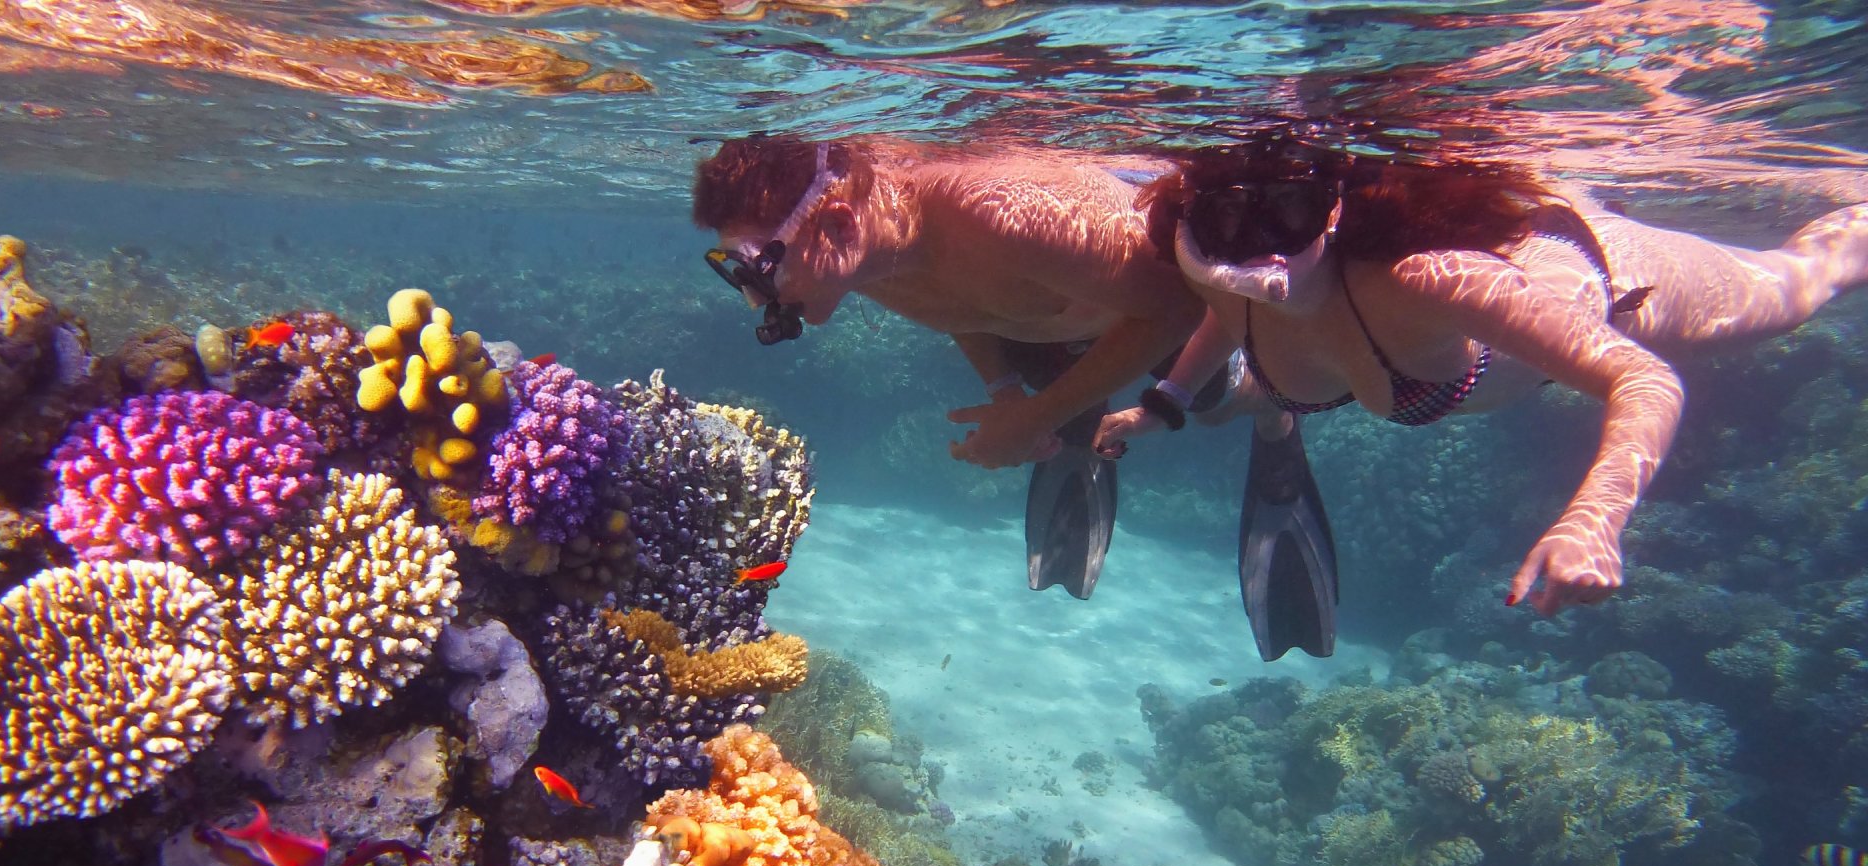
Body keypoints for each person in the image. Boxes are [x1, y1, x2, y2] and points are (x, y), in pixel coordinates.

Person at [1094, 134, 1868, 620]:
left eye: (1289, 213)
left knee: (1802, 282)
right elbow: (1225, 322)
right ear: (1192, 225)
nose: (1256, 250)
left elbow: (1646, 381)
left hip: (1601, 276)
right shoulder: (1220, 279)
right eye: (1225, 221)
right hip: (1377, 367)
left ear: (1331, 211)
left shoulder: (1430, 282)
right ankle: (1264, 406)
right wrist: (1162, 404)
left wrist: (1593, 520)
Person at [692, 135, 1216, 599]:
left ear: (837, 225)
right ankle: (1081, 407)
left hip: (1161, 313)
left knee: (1218, 402)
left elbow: (1177, 305)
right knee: (1074, 412)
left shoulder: (992, 214)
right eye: (738, 269)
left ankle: (1267, 406)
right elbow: (955, 307)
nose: (755, 300)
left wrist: (1038, 418)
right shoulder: (865, 256)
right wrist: (1006, 392)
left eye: (761, 266)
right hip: (1043, 327)